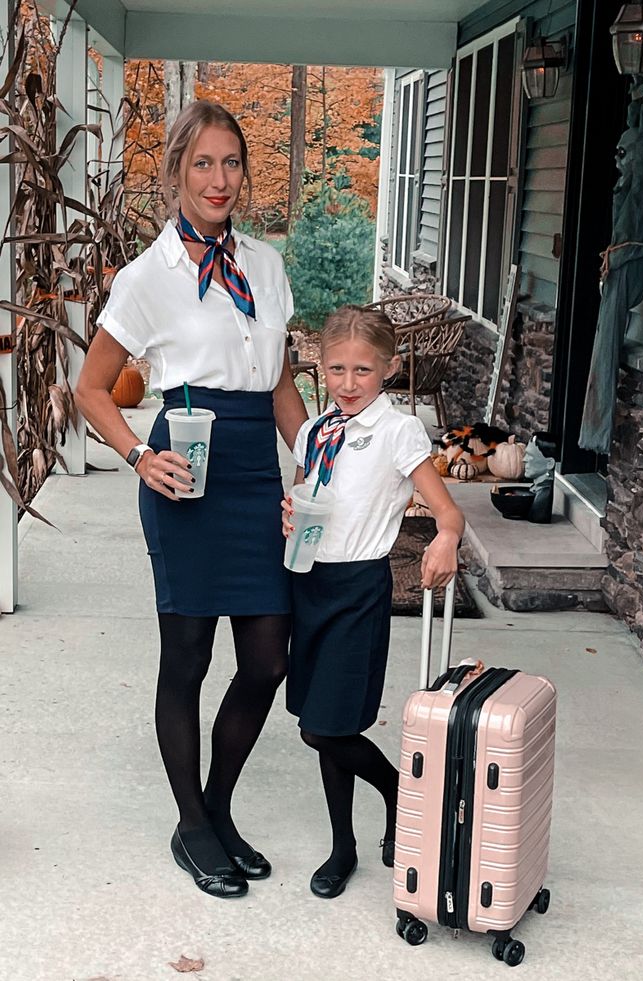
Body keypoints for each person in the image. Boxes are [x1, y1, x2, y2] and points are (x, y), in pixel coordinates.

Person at [76, 100, 307, 899]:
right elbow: (91, 388)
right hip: (187, 476)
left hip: (254, 476)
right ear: (176, 170)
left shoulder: (267, 266)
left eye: (231, 162)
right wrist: (141, 455)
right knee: (188, 658)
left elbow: (278, 380)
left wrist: (314, 466)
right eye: (203, 163)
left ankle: (213, 810)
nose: (219, 178)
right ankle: (193, 824)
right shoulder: (148, 278)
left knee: (269, 655)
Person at [281, 305, 465, 899]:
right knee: (318, 726)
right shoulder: (314, 432)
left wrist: (446, 538)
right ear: (320, 366)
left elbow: (448, 509)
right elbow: (314, 501)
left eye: (363, 370)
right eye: (336, 368)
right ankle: (345, 846)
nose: (348, 382)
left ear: (387, 369)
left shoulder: (397, 431)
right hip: (308, 582)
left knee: (327, 727)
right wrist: (293, 515)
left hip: (358, 590)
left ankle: (394, 792)